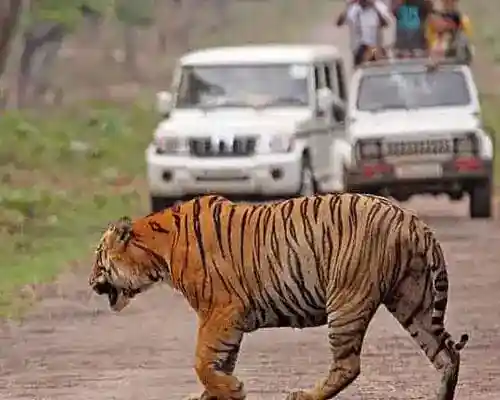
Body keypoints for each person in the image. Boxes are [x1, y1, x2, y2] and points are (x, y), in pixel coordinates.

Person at [337, 0, 392, 68]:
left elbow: (386, 23)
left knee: (376, 71)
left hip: (375, 48)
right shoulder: (353, 9)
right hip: (359, 49)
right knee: (361, 70)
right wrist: (348, 6)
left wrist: (375, 7)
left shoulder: (378, 6)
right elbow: (339, 23)